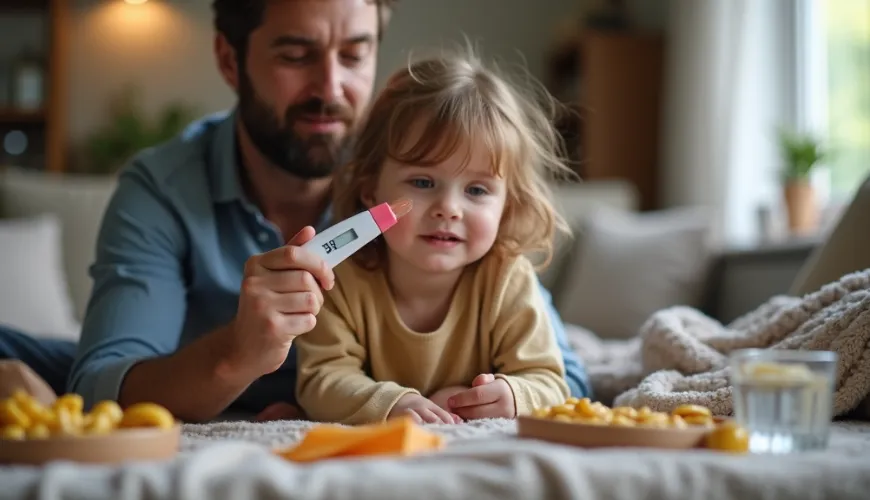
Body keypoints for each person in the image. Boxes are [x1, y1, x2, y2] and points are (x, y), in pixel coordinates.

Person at [0, 0, 590, 423]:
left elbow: (567, 378)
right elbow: (102, 385)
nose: (330, 87)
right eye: (296, 53)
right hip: (206, 385)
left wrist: (494, 394)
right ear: (230, 62)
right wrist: (238, 353)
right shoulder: (162, 191)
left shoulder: (413, 158)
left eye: (355, 54)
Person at [295, 51, 573, 425]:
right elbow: (320, 381)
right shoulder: (339, 279)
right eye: (423, 182)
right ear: (371, 192)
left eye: (476, 190)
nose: (449, 209)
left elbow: (551, 383)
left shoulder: (507, 279)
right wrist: (393, 404)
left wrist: (513, 394)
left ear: (507, 205)